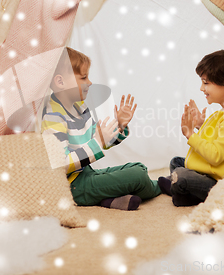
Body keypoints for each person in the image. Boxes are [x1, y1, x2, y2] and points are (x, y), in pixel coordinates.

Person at [41, 47, 161, 210]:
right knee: (138, 175)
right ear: (60, 82)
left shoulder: (79, 107)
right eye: (83, 77)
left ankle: (107, 200)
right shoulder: (53, 116)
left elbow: (99, 143)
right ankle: (161, 186)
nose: (89, 82)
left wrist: (119, 125)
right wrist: (97, 141)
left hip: (85, 174)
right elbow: (60, 164)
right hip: (71, 187)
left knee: (138, 167)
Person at [158, 49, 224, 206]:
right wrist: (200, 126)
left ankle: (182, 192)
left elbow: (215, 155)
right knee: (177, 162)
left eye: (206, 82)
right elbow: (214, 140)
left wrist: (190, 135)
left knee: (181, 175)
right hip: (208, 172)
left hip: (219, 182)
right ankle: (180, 188)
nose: (202, 88)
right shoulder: (220, 114)